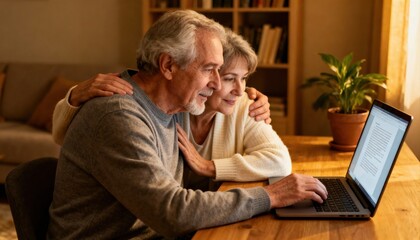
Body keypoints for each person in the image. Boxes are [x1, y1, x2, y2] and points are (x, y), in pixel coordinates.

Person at [48, 10, 327, 239]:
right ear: (168, 66)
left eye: (221, 71)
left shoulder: (173, 106)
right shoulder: (119, 117)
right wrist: (269, 196)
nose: (217, 83)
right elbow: (172, 212)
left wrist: (247, 99)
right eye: (209, 69)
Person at [53, 29, 292, 192]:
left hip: (196, 216)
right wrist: (74, 97)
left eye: (245, 79)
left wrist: (210, 166)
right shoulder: (172, 105)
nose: (239, 89)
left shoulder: (245, 106)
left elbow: (279, 161)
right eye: (227, 77)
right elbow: (66, 136)